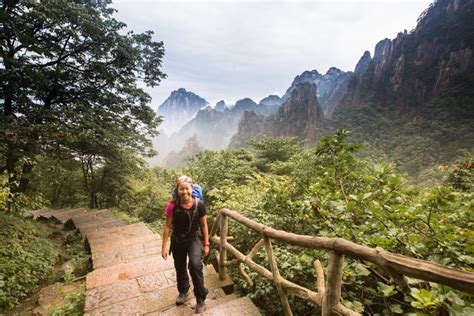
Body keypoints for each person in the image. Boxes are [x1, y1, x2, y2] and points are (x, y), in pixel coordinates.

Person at [161, 175, 210, 314]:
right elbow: (167, 227)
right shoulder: (172, 206)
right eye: (181, 189)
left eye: (187, 188)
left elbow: (204, 224)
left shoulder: (198, 204)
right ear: (177, 190)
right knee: (180, 266)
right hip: (177, 239)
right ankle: (183, 291)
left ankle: (200, 298)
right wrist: (164, 247)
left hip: (194, 238)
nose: (184, 192)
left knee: (195, 265)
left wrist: (206, 243)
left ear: (191, 188)